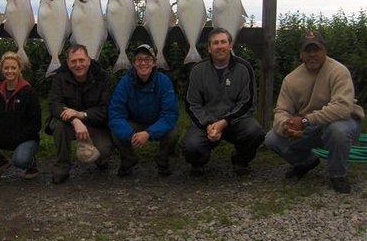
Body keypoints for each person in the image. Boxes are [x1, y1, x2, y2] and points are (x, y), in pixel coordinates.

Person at [265, 31, 364, 193]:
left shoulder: (339, 71)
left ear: (324, 50)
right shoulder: (290, 79)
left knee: (338, 130)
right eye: (307, 50)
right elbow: (281, 111)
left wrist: (304, 121)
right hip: (310, 127)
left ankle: (338, 174)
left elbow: (342, 108)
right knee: (271, 139)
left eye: (316, 49)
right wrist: (287, 126)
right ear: (301, 54)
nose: (312, 54)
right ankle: (305, 162)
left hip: (342, 122)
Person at [182, 28, 265, 176]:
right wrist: (208, 124)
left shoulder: (244, 68)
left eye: (223, 42)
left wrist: (225, 122)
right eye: (215, 43)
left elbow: (247, 103)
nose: (219, 46)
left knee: (255, 131)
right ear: (209, 48)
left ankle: (240, 160)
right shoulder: (197, 70)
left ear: (230, 45)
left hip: (235, 122)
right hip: (207, 124)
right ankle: (199, 163)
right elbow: (191, 104)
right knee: (190, 145)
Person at [109, 44, 179, 177]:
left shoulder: (164, 82)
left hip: (157, 123)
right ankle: (128, 159)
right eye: (139, 59)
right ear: (134, 63)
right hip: (134, 124)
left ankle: (162, 160)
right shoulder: (124, 82)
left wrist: (148, 133)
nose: (143, 63)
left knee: (173, 131)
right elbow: (115, 115)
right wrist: (131, 135)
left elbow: (170, 115)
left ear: (154, 63)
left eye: (147, 59)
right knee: (116, 131)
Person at [48, 44, 113, 184]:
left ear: (89, 60)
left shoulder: (103, 77)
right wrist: (75, 120)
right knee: (58, 126)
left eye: (81, 60)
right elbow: (54, 104)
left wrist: (81, 115)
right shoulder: (59, 77)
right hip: (68, 124)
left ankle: (100, 160)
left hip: (94, 124)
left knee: (104, 150)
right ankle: (62, 167)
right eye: (73, 61)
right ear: (67, 62)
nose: (78, 64)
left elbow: (105, 109)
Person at [0, 51, 41, 179]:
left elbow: (36, 123)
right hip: (2, 137)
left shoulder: (29, 92)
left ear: (19, 69)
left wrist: (18, 137)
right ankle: (0, 161)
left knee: (20, 160)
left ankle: (31, 163)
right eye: (6, 68)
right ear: (2, 69)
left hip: (24, 138)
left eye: (13, 68)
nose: (10, 71)